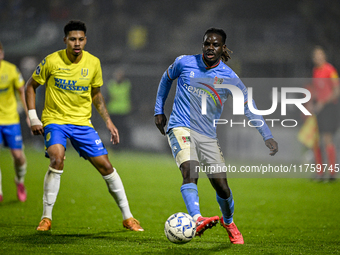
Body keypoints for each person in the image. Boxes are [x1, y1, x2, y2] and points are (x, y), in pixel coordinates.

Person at [154, 28, 278, 244]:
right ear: (202, 45)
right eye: (206, 44)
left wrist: (266, 134)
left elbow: (249, 106)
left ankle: (228, 222)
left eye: (215, 45)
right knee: (189, 170)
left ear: (223, 48)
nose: (210, 48)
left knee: (222, 187)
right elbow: (166, 79)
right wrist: (158, 110)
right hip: (180, 126)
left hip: (207, 135)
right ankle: (196, 218)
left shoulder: (229, 77)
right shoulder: (184, 62)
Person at [25, 20, 143, 232]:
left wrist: (107, 120)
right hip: (55, 120)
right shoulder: (51, 61)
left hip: (82, 123)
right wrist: (33, 117)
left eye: (80, 39)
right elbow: (30, 86)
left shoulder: (93, 63)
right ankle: (46, 218)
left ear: (85, 40)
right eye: (72, 39)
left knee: (106, 166)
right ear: (65, 40)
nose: (77, 43)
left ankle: (128, 217)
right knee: (57, 158)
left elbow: (96, 93)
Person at [0, 41, 28, 202]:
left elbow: (21, 91)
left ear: (2, 54)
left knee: (18, 156)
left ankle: (20, 180)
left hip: (10, 119)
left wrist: (28, 115)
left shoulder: (11, 70)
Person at [311, 46, 339, 181]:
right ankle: (320, 173)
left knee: (327, 139)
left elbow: (336, 91)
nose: (318, 57)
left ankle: (332, 173)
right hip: (319, 109)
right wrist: (312, 103)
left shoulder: (330, 70)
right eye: (316, 55)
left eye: (320, 55)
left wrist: (322, 102)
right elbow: (317, 90)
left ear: (324, 56)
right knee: (316, 140)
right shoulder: (315, 71)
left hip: (329, 108)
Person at [107, 68, 132, 149]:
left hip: (123, 111)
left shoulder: (127, 85)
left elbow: (132, 97)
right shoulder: (111, 85)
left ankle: (122, 145)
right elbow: (107, 97)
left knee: (122, 130)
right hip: (113, 110)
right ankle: (114, 146)